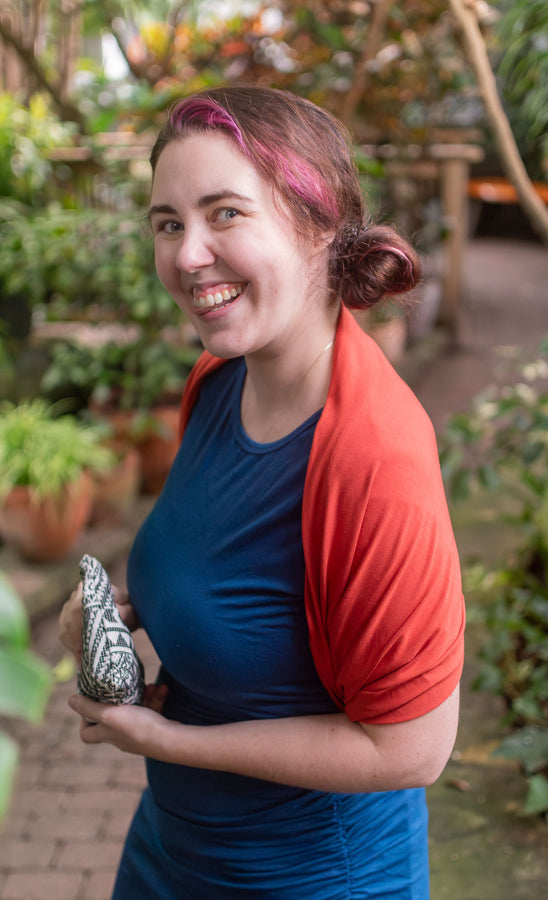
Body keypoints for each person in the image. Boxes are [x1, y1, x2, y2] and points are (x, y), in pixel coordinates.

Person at [60, 85, 465, 899]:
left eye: (225, 214)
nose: (187, 254)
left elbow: (412, 750)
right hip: (174, 848)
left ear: (318, 227)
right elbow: (237, 576)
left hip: (309, 877)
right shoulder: (218, 382)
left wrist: (167, 742)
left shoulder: (375, 458)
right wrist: (121, 615)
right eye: (168, 223)